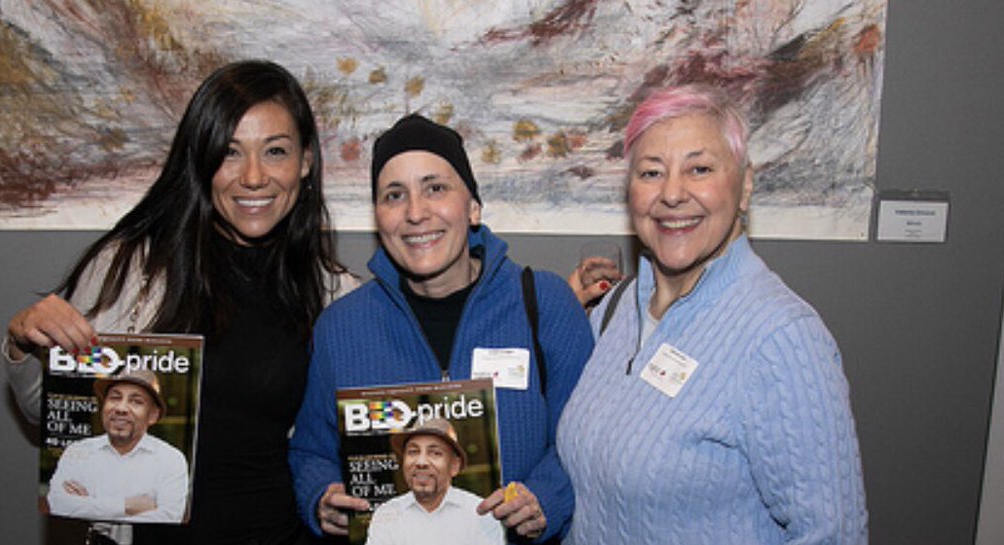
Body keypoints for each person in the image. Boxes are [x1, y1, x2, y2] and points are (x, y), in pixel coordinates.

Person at [2, 60, 357, 545]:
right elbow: (51, 413)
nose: (253, 177)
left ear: (307, 161)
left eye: (275, 151)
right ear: (201, 160)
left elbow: (333, 449)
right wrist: (26, 343)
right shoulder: (128, 269)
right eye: (229, 153)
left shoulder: (335, 295)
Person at [556, 84, 868, 544]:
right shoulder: (614, 312)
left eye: (699, 169)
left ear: (744, 186)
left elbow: (834, 535)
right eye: (651, 172)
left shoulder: (781, 339)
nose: (673, 194)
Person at [289, 114, 594, 543]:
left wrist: (546, 496)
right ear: (379, 216)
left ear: (472, 207)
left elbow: (584, 440)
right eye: (395, 195)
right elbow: (309, 451)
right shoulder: (341, 326)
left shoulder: (544, 303)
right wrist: (320, 496)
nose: (416, 213)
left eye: (435, 188)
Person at [47, 368, 189, 523]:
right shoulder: (78, 451)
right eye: (115, 398)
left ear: (153, 415)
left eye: (136, 401)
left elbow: (168, 518)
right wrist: (127, 506)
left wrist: (88, 507)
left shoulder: (171, 460)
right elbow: (58, 504)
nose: (121, 409)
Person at [365, 418, 503, 545]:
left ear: (454, 466)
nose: (421, 462)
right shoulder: (386, 513)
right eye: (413, 452)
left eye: (435, 453)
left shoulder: (479, 514)